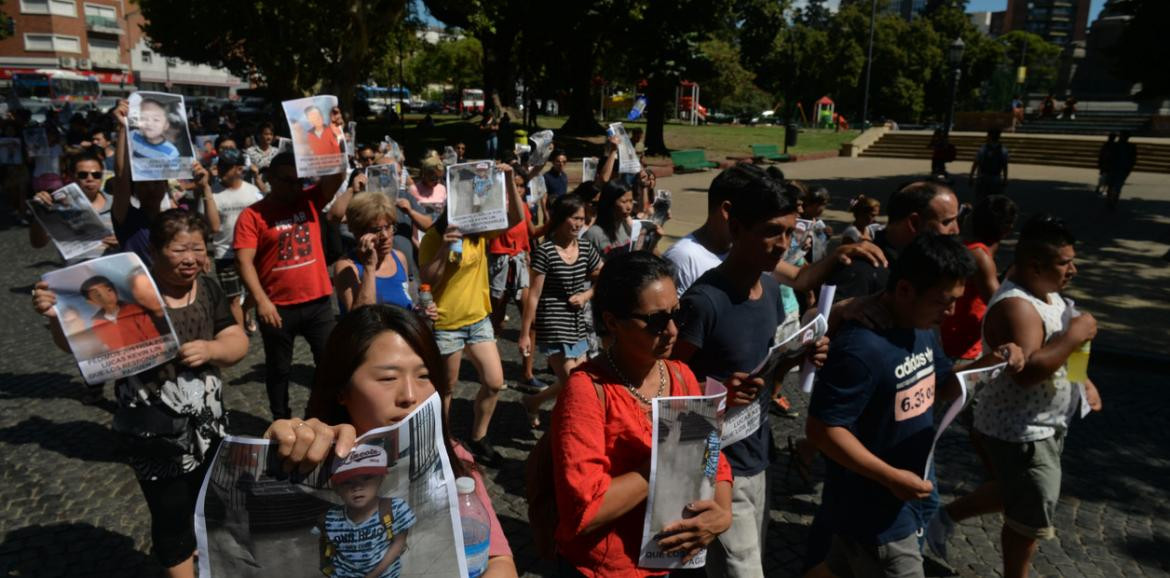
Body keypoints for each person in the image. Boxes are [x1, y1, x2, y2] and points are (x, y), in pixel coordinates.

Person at [32, 209, 249, 578]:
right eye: (180, 249)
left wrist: (212, 350)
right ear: (154, 251)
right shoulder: (124, 290)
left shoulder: (208, 287)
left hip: (209, 426)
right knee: (171, 519)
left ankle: (206, 557)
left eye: (198, 249)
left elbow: (236, 337)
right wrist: (58, 317)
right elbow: (79, 347)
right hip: (152, 434)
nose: (191, 259)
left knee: (209, 504)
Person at [807, 233, 1024, 578]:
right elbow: (821, 429)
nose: (951, 312)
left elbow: (940, 386)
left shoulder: (921, 328)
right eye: (943, 302)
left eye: (955, 300)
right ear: (906, 289)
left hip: (902, 501)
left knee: (837, 567)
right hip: (875, 512)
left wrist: (990, 363)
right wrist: (892, 478)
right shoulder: (860, 350)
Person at [264, 305, 518, 577]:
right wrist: (275, 458)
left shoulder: (452, 457)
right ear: (341, 390)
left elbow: (499, 561)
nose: (410, 395)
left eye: (424, 376)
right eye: (388, 377)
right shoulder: (311, 464)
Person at [671, 164, 829, 578]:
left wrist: (800, 356)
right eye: (771, 231)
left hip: (758, 456)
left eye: (790, 232)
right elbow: (666, 385)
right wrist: (719, 394)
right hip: (714, 463)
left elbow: (768, 375)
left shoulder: (773, 290)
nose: (782, 245)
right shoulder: (703, 302)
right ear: (737, 227)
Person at [926, 215, 1100, 578]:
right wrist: (1076, 335)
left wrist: (1083, 380)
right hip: (1020, 431)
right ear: (1035, 265)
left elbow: (1064, 337)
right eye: (1065, 262)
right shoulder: (1017, 306)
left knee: (1010, 492)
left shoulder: (1047, 293)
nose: (1074, 269)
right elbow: (1030, 371)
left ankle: (943, 517)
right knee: (1028, 520)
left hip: (1043, 425)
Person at [551, 251, 733, 577]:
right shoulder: (586, 391)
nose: (674, 330)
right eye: (656, 321)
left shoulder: (680, 375)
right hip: (609, 568)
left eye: (679, 314)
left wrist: (722, 513)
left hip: (674, 560)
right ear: (611, 322)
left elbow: (712, 460)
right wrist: (666, 459)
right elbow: (586, 509)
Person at [418, 163, 525, 464]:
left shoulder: (479, 231)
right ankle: (442, 443)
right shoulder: (433, 237)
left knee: (493, 381)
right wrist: (445, 248)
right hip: (447, 323)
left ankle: (479, 437)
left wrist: (508, 179)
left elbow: (516, 218)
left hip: (478, 319)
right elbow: (428, 276)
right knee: (447, 389)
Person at [234, 151, 346, 420]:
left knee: (331, 364)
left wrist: (330, 142)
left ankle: (328, 414)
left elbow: (338, 176)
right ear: (270, 178)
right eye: (286, 180)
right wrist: (261, 301)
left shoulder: (310, 200)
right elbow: (244, 262)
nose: (294, 187)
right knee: (279, 369)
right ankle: (281, 419)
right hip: (277, 307)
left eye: (299, 181)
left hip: (318, 303)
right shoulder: (252, 216)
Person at [518, 194, 601, 426]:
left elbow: (603, 275)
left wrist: (586, 295)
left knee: (578, 378)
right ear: (561, 219)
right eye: (574, 218)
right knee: (576, 385)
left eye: (582, 219)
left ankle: (533, 402)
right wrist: (525, 334)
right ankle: (573, 426)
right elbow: (533, 295)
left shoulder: (585, 247)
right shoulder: (545, 252)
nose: (578, 224)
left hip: (577, 321)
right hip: (553, 321)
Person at [827, 181, 961, 303]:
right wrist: (842, 310)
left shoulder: (927, 260)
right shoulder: (863, 267)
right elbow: (821, 323)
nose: (956, 230)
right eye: (947, 222)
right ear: (914, 223)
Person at [318, 444, 415, 578]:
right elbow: (326, 549)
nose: (357, 487)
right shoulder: (329, 519)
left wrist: (373, 575)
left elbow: (399, 543)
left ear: (381, 478)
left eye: (366, 478)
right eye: (347, 481)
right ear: (336, 488)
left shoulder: (395, 509)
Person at [941, 195, 1018, 361]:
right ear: (1007, 229)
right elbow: (999, 304)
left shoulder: (969, 247)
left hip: (954, 341)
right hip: (963, 348)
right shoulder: (980, 256)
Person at [487, 168, 542, 391]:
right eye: (515, 186)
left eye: (521, 186)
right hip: (499, 265)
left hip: (520, 265)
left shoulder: (524, 208)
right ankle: (492, 370)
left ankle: (527, 374)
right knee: (496, 322)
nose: (518, 190)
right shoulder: (493, 208)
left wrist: (557, 219)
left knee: (531, 320)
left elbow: (534, 233)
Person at [205, 148, 263, 328]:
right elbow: (210, 227)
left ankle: (247, 310)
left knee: (255, 292)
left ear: (239, 169)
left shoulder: (252, 191)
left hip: (253, 252)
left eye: (227, 166)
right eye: (220, 165)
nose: (221, 169)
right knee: (233, 298)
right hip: (225, 254)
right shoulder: (211, 194)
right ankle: (240, 336)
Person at [333, 192, 414, 314]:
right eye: (376, 230)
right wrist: (369, 268)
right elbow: (360, 318)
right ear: (357, 232)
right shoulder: (347, 267)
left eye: (389, 227)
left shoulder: (399, 257)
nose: (385, 236)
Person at [29, 152, 119, 260]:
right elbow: (38, 243)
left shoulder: (118, 204)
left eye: (96, 175)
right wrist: (40, 212)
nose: (90, 179)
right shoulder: (58, 206)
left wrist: (123, 240)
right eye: (83, 175)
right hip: (76, 271)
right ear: (72, 177)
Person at [79, 274, 162, 351]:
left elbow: (152, 334)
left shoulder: (134, 309)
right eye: (98, 295)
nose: (106, 296)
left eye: (109, 290)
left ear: (115, 290)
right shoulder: (96, 323)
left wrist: (159, 352)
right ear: (91, 302)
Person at [582, 181, 637, 257]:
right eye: (624, 202)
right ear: (610, 202)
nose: (629, 207)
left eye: (631, 201)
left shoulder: (627, 226)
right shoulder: (593, 234)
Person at [970, 129, 1009, 201]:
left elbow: (976, 163)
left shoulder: (983, 148)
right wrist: (1005, 179)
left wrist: (971, 176)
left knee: (981, 199)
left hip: (983, 177)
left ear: (990, 136)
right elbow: (1005, 166)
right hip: (996, 177)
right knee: (995, 200)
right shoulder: (1003, 150)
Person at [1105, 131, 1138, 211]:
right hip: (1114, 169)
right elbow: (1108, 157)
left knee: (1116, 187)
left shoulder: (1130, 147)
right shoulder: (1115, 146)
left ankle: (1113, 202)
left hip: (1121, 169)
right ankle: (1110, 201)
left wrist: (1129, 169)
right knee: (1112, 186)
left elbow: (1133, 159)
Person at [1094, 133, 1116, 198]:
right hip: (1108, 164)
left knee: (1103, 177)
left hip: (1105, 164)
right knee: (1106, 178)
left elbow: (1101, 155)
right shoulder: (1113, 146)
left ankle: (1100, 188)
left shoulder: (1107, 145)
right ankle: (1103, 190)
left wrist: (1100, 163)